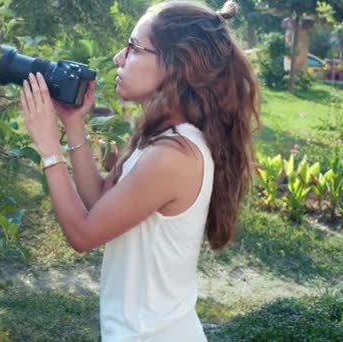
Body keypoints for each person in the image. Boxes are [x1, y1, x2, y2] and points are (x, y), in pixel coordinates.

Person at [19, 0, 259, 340]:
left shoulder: (174, 155)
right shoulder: (163, 138)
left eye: (133, 48)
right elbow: (99, 202)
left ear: (176, 65)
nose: (119, 57)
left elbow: (83, 235)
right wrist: (74, 123)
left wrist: (48, 147)